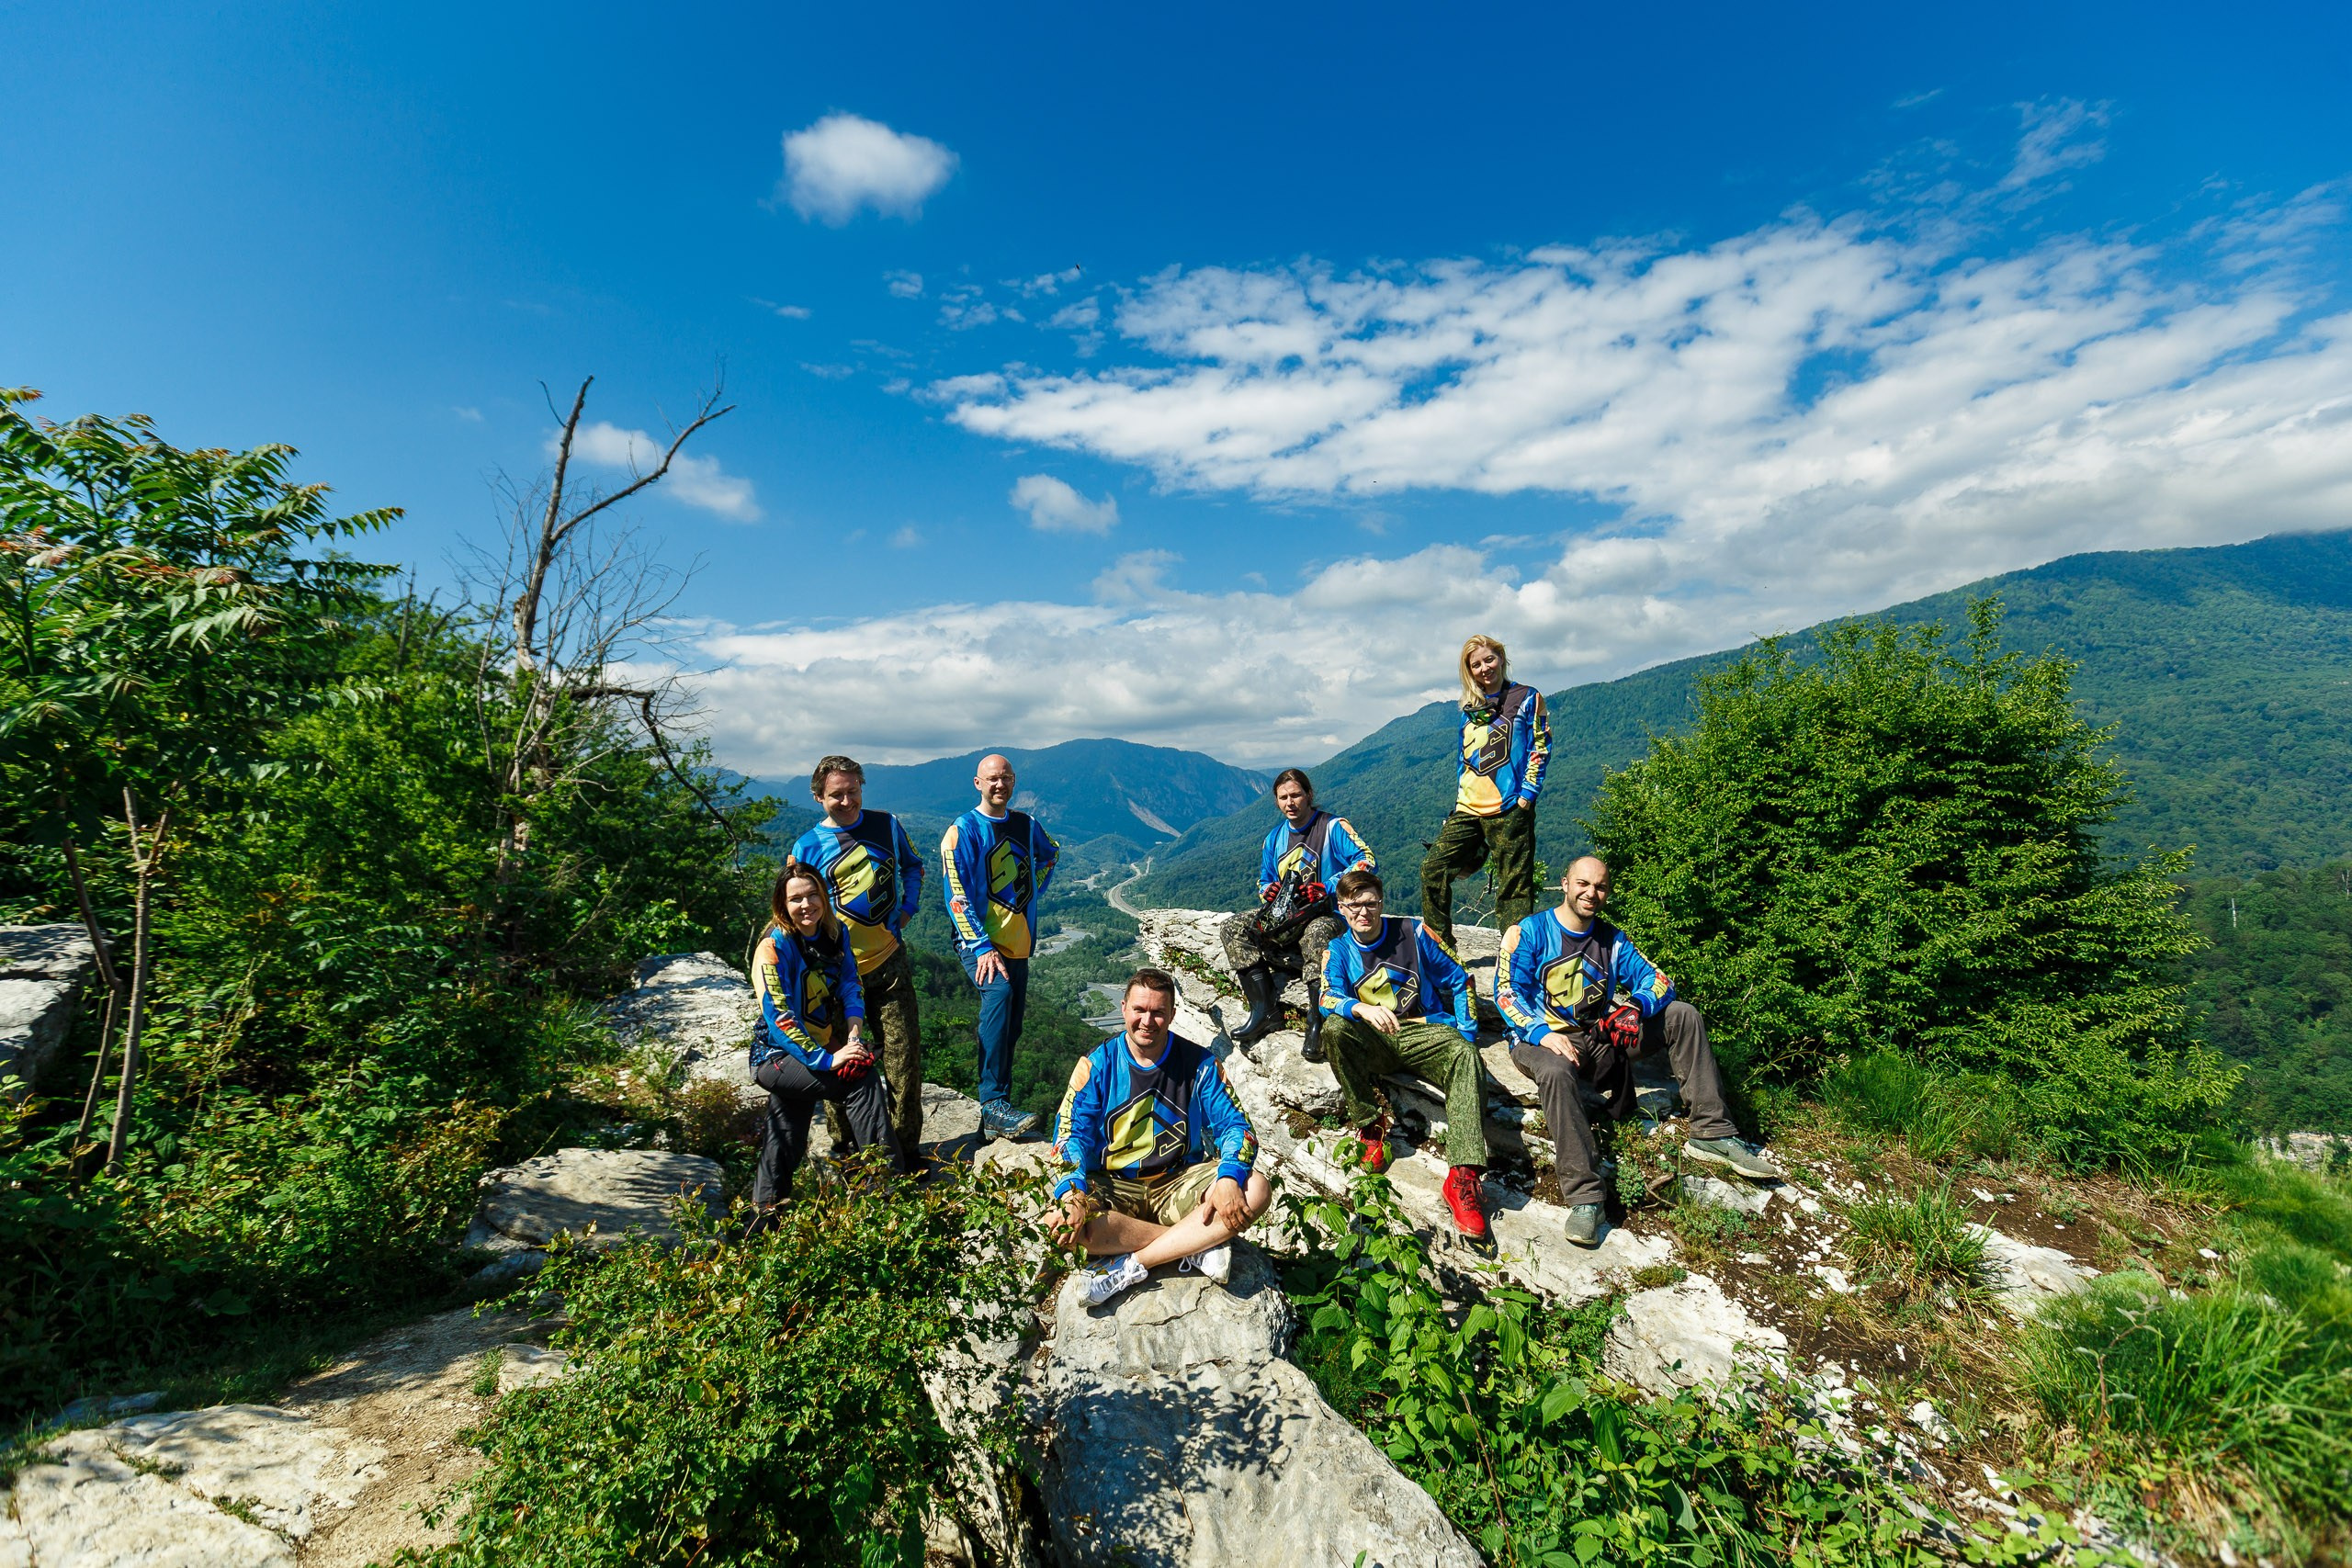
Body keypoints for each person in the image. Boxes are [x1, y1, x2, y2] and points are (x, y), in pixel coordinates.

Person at [1498, 855, 1779, 1248]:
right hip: (1540, 1039)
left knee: (1683, 1016)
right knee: (1557, 1072)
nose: (1590, 893)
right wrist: (1541, 1033)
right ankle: (1585, 1197)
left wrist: (1635, 1007)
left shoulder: (1612, 940)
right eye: (1582, 884)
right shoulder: (1527, 932)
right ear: (1564, 884)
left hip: (1598, 1035)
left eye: (1599, 887)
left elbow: (1660, 980)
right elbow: (1507, 991)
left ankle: (1712, 1132)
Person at [1052, 966, 1272, 1306]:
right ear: (1124, 1008)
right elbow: (1070, 1136)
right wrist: (1073, 1194)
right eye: (1139, 1010)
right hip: (1113, 1184)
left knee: (1254, 1187)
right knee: (1077, 1226)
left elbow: (1237, 1127)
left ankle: (1132, 1264)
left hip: (1176, 1181)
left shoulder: (1199, 1064)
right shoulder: (1097, 1066)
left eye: (1157, 1012)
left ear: (1172, 1014)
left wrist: (1229, 1176)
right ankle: (1193, 1246)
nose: (1147, 1021)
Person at [1317, 865, 1496, 1253]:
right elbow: (1326, 997)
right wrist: (1359, 1010)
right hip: (1376, 1039)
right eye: (1353, 905)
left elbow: (1459, 977)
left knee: (1464, 1056)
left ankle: (1463, 1175)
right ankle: (1370, 1126)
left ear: (1382, 902)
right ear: (1341, 909)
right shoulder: (1339, 950)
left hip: (1421, 1029)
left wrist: (1464, 1032)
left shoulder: (1413, 933)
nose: (1363, 912)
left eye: (1371, 903)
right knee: (1333, 1029)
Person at [748, 860, 910, 1221]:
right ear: (782, 905)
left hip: (814, 1048)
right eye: (795, 900)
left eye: (812, 895)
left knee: (788, 1122)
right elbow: (780, 1018)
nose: (806, 906)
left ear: (823, 896)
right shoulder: (773, 948)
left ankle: (764, 1213)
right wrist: (828, 1060)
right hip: (774, 1056)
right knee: (859, 1080)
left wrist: (853, 1032)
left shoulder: (835, 934)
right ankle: (888, 1194)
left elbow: (851, 983)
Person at [790, 755, 927, 1151]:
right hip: (831, 971)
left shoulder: (887, 824)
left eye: (853, 791)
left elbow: (913, 867)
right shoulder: (807, 846)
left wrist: (906, 912)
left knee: (903, 1058)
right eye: (837, 794)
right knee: (839, 1058)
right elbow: (796, 905)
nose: (847, 801)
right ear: (818, 797)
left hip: (888, 962)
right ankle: (845, 1146)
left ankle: (905, 1148)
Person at [941, 753, 1061, 1141]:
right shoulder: (963, 830)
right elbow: (956, 895)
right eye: (992, 778)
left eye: (1006, 778)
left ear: (1014, 782)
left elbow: (1051, 853)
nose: (1000, 785)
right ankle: (992, 1102)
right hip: (980, 943)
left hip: (1018, 944)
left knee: (1012, 1027)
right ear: (978, 783)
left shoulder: (1026, 825)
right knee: (999, 992)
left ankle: (992, 1119)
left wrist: (1032, 892)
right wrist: (981, 946)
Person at [1220, 768, 1374, 1062]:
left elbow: (1366, 861)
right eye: (1283, 798)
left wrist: (1329, 886)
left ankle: (1318, 1022)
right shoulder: (1274, 839)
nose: (1290, 802)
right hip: (1288, 914)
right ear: (1277, 802)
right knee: (1232, 928)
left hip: (1331, 913)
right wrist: (1269, 891)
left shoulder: (1333, 827)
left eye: (1296, 795)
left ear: (1309, 795)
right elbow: (1263, 881)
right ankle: (1264, 1010)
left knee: (1316, 934)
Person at [1419, 633, 1551, 954]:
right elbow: (1464, 756)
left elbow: (1541, 745)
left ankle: (1514, 959)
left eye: (1489, 660)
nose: (1484, 668)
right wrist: (1459, 797)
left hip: (1510, 808)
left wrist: (1527, 795)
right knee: (1433, 869)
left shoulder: (1527, 697)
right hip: (1468, 807)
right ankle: (1441, 948)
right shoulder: (1469, 706)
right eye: (1475, 664)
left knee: (1513, 888)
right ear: (1469, 670)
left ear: (1502, 658)